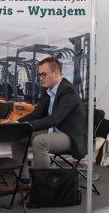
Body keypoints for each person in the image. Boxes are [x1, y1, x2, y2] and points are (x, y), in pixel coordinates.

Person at [5, 56, 87, 191]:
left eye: (43, 74)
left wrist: (28, 126)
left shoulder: (68, 91)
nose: (41, 78)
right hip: (56, 132)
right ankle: (22, 181)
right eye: (40, 75)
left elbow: (54, 119)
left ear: (56, 73)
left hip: (71, 136)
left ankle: (42, 188)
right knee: (17, 136)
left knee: (40, 141)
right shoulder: (47, 90)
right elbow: (37, 114)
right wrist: (16, 124)